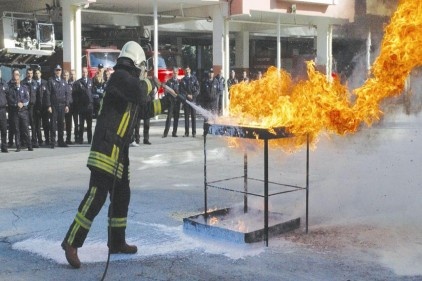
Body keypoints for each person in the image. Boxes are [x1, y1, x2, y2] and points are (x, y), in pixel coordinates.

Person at [61, 41, 182, 269]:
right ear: (136, 63)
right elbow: (139, 90)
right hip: (106, 148)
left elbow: (144, 110)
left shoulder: (130, 85)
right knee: (96, 196)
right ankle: (71, 243)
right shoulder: (120, 78)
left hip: (120, 151)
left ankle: (116, 242)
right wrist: (151, 81)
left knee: (121, 196)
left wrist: (167, 102)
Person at [6, 69, 32, 152]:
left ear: (20, 79)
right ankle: (18, 146)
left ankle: (29, 145)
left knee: (26, 129)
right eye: (15, 80)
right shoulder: (11, 89)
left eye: (18, 79)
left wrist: (23, 103)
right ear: (13, 80)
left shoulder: (24, 88)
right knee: (16, 130)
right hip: (15, 112)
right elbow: (10, 100)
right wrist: (16, 104)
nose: (16, 81)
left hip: (23, 112)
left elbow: (27, 98)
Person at [46, 65, 70, 148]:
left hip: (62, 105)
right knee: (53, 124)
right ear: (54, 71)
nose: (58, 71)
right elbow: (48, 94)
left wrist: (67, 105)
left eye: (59, 70)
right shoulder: (51, 80)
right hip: (54, 105)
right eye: (57, 70)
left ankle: (61, 141)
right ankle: (53, 141)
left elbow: (67, 94)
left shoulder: (64, 82)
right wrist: (48, 105)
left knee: (61, 124)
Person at [73, 67, 93, 144]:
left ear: (87, 73)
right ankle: (80, 139)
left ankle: (89, 139)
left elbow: (92, 92)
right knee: (81, 125)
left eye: (85, 72)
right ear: (81, 73)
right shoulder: (78, 82)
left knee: (89, 125)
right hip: (82, 107)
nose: (84, 74)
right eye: (83, 72)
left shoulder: (91, 81)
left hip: (89, 107)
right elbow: (75, 95)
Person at [180, 66, 199, 137]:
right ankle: (186, 132)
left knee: (193, 117)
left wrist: (193, 96)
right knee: (186, 117)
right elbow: (181, 90)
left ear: (190, 70)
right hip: (186, 101)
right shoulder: (183, 80)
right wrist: (187, 95)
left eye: (188, 70)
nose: (187, 71)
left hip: (193, 100)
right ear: (185, 71)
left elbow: (198, 89)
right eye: (186, 70)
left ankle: (194, 133)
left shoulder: (194, 79)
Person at [21, 68, 38, 148]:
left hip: (33, 107)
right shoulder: (22, 83)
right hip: (25, 108)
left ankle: (34, 141)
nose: (30, 75)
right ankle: (25, 142)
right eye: (28, 73)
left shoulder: (35, 83)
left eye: (31, 73)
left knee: (33, 125)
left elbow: (38, 95)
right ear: (26, 73)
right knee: (25, 125)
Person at [162, 67, 180, 138]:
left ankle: (174, 133)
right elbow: (166, 92)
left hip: (177, 102)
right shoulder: (169, 82)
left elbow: (181, 92)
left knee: (176, 118)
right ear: (172, 73)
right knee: (169, 118)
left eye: (176, 73)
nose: (175, 74)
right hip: (171, 102)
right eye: (174, 73)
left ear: (177, 73)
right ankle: (165, 133)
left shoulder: (180, 82)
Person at [33, 68, 50, 146]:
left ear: (41, 74)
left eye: (38, 73)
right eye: (36, 73)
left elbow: (47, 95)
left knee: (46, 124)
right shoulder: (33, 83)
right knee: (37, 125)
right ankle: (39, 140)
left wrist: (48, 105)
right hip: (36, 107)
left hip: (44, 107)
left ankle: (47, 139)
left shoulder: (45, 83)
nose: (37, 74)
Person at [63, 70, 75, 145]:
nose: (66, 77)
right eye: (65, 75)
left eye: (67, 75)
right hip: (61, 105)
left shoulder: (71, 84)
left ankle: (68, 139)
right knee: (61, 123)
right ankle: (61, 139)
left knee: (68, 123)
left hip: (69, 106)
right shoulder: (60, 83)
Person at [0, 73, 8, 152]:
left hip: (2, 109)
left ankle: (4, 147)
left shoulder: (4, 83)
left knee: (3, 129)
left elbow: (8, 95)